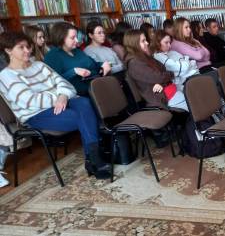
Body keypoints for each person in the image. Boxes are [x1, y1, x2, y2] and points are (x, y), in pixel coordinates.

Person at [0, 32, 110, 179]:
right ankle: (94, 158)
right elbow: (30, 101)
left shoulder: (39, 65)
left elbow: (65, 84)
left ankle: (94, 160)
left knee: (84, 102)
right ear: (8, 50)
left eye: (28, 46)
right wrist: (56, 98)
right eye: (21, 48)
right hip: (36, 115)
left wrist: (63, 95)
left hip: (60, 103)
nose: (28, 51)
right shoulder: (6, 76)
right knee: (84, 116)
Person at [124, 30, 188, 112]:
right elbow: (159, 76)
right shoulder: (134, 63)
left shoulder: (144, 57)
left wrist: (161, 82)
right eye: (143, 41)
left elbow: (163, 69)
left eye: (146, 40)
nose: (147, 43)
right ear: (134, 44)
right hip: (160, 97)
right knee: (195, 104)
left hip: (168, 89)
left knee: (194, 93)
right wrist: (167, 77)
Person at [44, 22, 111, 96]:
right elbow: (53, 83)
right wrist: (73, 71)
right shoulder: (52, 56)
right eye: (72, 38)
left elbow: (94, 64)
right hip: (79, 95)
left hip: (96, 87)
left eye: (76, 37)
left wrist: (103, 64)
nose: (77, 40)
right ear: (61, 38)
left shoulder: (77, 51)